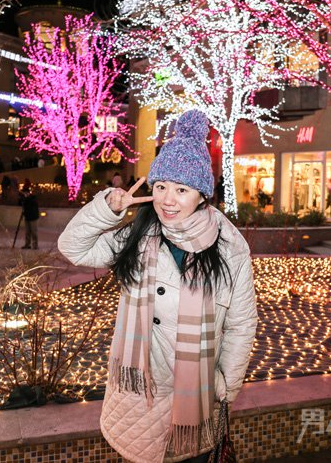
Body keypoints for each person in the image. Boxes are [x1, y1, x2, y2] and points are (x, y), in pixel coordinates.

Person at [58, 110, 257, 463]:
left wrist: (226, 383)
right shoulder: (138, 236)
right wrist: (107, 208)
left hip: (196, 398)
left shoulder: (230, 247)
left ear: (202, 195)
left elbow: (241, 324)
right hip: (140, 395)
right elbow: (72, 247)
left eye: (181, 190)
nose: (168, 200)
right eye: (162, 186)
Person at [20, 185, 40, 249]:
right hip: (27, 217)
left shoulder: (32, 198)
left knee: (34, 232)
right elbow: (20, 204)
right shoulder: (24, 199)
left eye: (26, 193)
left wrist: (26, 198)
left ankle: (35, 245)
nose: (25, 194)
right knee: (27, 232)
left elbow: (32, 204)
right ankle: (27, 244)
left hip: (33, 217)